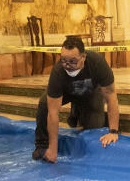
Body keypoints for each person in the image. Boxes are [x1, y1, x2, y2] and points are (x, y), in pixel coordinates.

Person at [32, 35, 120, 163]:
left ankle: (77, 110)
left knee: (93, 127)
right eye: (63, 60)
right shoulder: (58, 72)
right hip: (67, 91)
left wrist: (113, 131)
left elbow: (111, 98)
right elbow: (53, 113)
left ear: (83, 57)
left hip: (90, 92)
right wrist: (52, 148)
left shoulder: (97, 64)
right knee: (44, 103)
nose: (67, 65)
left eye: (73, 61)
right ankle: (41, 144)